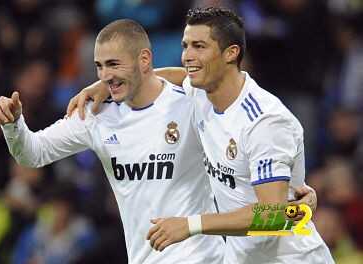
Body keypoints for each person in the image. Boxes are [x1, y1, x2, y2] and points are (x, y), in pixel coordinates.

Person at [66, 7, 332, 264]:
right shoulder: (202, 93)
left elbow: (275, 217)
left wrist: (192, 225)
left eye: (199, 46)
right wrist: (107, 84)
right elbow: (176, 76)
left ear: (231, 53)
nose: (187, 56)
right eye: (185, 45)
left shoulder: (264, 121)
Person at [0, 19, 226, 264]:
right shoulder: (95, 114)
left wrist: (198, 224)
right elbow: (33, 154)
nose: (103, 75)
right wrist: (13, 123)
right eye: (99, 67)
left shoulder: (190, 102)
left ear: (144, 59)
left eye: (113, 64)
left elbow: (229, 81)